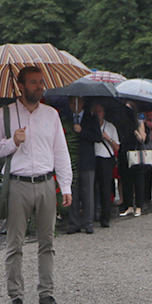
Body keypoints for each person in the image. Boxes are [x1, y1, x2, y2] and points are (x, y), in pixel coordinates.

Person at [0, 66, 73, 304]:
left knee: (47, 242)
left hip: (46, 183)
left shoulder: (51, 114)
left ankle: (46, 292)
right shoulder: (5, 114)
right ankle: (16, 296)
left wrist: (65, 185)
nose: (39, 87)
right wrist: (12, 142)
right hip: (17, 184)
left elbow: (61, 152)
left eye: (41, 82)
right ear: (20, 86)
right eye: (34, 83)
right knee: (15, 243)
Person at [62, 96, 100, 234]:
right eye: (72, 102)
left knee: (87, 193)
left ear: (82, 103)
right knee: (73, 192)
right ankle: (74, 223)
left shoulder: (91, 118)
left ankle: (88, 223)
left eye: (77, 102)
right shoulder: (66, 118)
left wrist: (81, 131)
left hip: (87, 160)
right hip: (71, 160)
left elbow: (97, 137)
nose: (74, 105)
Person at [118, 103, 150, 218]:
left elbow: (143, 138)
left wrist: (136, 132)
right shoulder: (122, 120)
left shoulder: (139, 118)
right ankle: (129, 205)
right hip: (125, 150)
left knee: (139, 180)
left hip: (136, 151)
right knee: (126, 179)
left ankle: (139, 206)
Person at [92, 101, 120, 228]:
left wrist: (108, 138)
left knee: (105, 189)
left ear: (104, 113)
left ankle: (105, 217)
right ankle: (93, 214)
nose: (98, 114)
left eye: (100, 111)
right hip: (93, 158)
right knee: (92, 188)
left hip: (105, 158)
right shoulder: (90, 125)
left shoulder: (110, 127)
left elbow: (117, 147)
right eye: (95, 112)